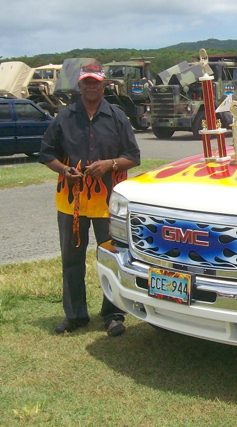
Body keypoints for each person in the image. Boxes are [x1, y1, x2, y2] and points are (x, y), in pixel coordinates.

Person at [39, 60, 140, 337]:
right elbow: (46, 153)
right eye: (87, 81)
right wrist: (64, 170)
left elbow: (133, 157)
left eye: (96, 81)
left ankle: (113, 314)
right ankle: (75, 315)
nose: (91, 86)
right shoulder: (65, 116)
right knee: (72, 258)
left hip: (107, 203)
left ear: (104, 84)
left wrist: (109, 164)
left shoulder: (117, 116)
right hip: (71, 202)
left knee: (111, 257)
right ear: (80, 84)